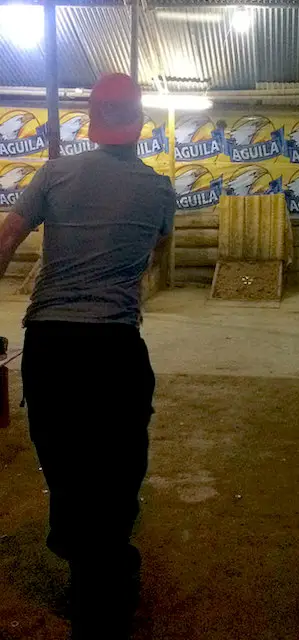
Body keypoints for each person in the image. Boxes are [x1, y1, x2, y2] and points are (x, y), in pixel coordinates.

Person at [0, 73, 175, 639]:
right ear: (138, 124)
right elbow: (154, 253)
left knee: (66, 461)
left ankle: (85, 566)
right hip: (115, 348)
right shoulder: (159, 191)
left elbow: (4, 241)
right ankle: (107, 571)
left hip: (50, 347)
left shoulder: (54, 173)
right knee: (118, 465)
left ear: (94, 124)